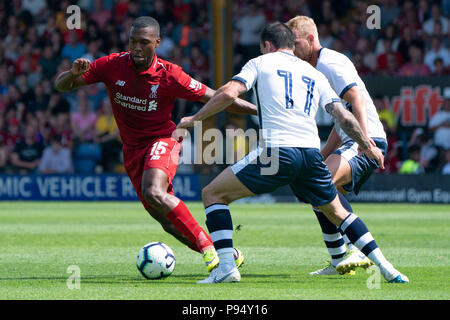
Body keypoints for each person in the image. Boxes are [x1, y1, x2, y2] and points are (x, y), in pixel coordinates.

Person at [177, 22, 408, 284]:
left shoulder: (259, 63)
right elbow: (342, 115)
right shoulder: (313, 73)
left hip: (277, 153)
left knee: (212, 193)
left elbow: (229, 93)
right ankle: (387, 268)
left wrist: (195, 118)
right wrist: (366, 145)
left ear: (267, 45)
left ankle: (227, 267)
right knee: (337, 210)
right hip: (310, 156)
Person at [54, 16, 256, 273]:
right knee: (167, 222)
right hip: (132, 150)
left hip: (163, 140)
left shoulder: (170, 74)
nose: (137, 47)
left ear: (157, 43)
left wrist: (259, 111)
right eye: (133, 41)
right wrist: (72, 74)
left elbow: (218, 97)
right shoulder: (111, 65)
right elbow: (62, 87)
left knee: (154, 192)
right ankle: (226, 254)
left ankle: (208, 249)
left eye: (144, 42)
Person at [286, 16, 389, 276]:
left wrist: (364, 142)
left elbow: (356, 99)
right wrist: (323, 154)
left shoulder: (330, 62)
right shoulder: (314, 68)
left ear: (310, 39)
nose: (291, 48)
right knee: (317, 191)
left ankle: (353, 250)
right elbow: (340, 120)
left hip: (367, 141)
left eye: (294, 42)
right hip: (352, 141)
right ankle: (337, 259)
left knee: (319, 184)